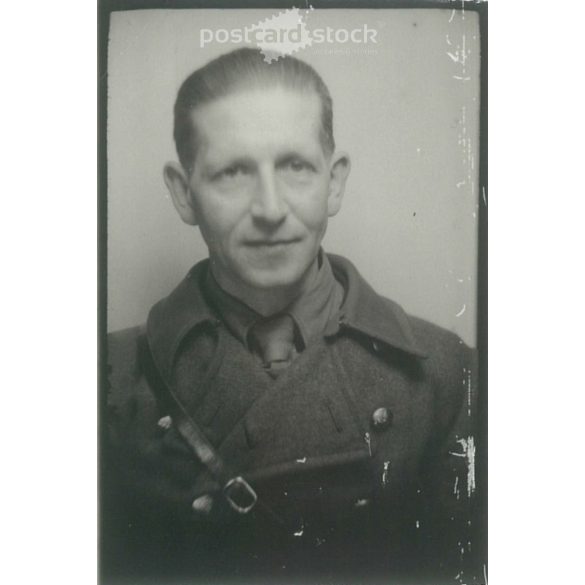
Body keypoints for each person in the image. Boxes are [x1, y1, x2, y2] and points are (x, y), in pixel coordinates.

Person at [102, 47, 483, 584]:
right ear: (184, 193)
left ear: (334, 182)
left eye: (296, 167)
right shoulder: (109, 383)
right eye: (233, 172)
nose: (271, 208)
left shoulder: (448, 378)